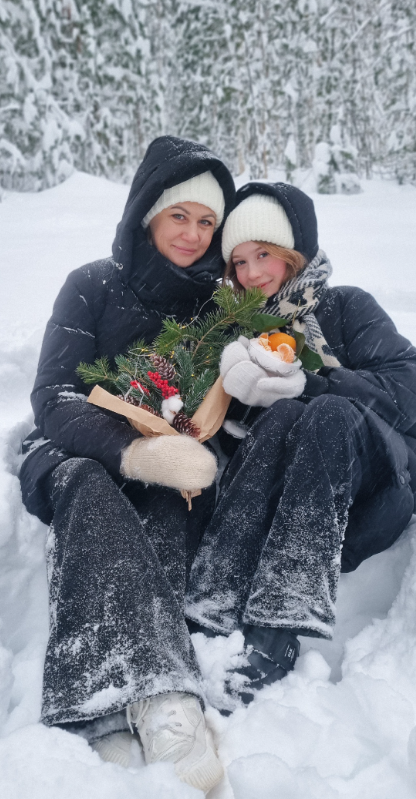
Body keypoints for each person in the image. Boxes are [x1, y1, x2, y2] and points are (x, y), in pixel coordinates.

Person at [19, 135, 235, 792]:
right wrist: (134, 450)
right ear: (148, 213)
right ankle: (132, 699)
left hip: (173, 471)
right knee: (90, 486)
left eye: (207, 221)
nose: (193, 234)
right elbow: (53, 397)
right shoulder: (91, 285)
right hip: (74, 455)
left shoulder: (216, 309)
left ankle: (138, 709)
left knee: (168, 504)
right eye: (179, 215)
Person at [185, 182, 416, 707]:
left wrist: (313, 383)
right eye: (239, 262)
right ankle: (210, 608)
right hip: (295, 510)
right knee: (286, 413)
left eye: (263, 254)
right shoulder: (238, 338)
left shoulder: (346, 307)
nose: (252, 274)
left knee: (323, 410)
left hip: (379, 486)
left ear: (293, 252)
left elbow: (407, 392)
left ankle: (278, 626)